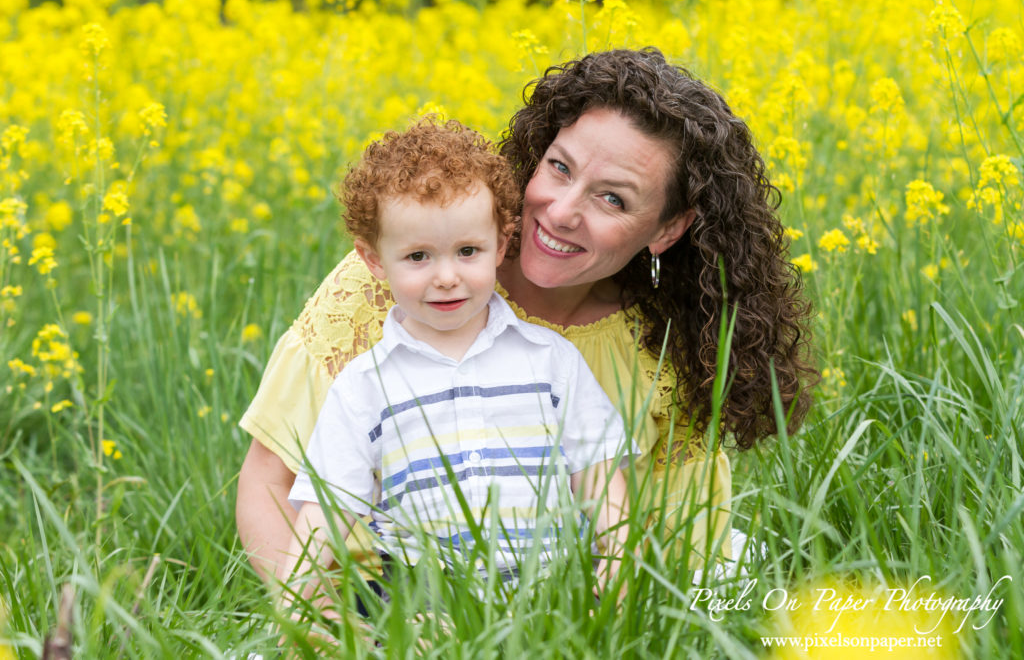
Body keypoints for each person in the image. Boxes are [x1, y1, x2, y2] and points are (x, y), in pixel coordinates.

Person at [238, 47, 817, 584]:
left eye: (612, 198)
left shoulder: (664, 349)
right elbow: (270, 483)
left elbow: (684, 546)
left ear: (667, 228)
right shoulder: (401, 283)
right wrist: (328, 627)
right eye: (560, 168)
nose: (561, 211)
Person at [276, 119, 634, 609]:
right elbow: (327, 511)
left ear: (501, 246)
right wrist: (300, 609)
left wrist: (617, 562)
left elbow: (598, 474)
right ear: (374, 260)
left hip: (549, 590)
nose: (446, 277)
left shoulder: (550, 361)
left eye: (468, 251)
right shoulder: (363, 386)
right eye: (418, 256)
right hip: (421, 598)